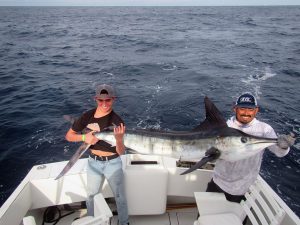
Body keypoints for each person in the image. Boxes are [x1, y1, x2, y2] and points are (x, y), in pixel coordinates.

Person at [206, 93, 296, 204]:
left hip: (242, 187)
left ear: (256, 110)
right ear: (235, 108)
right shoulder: (226, 127)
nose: (246, 113)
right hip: (218, 181)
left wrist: (283, 146)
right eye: (242, 108)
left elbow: (279, 152)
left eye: (250, 109)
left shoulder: (265, 129)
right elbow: (212, 154)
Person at [65, 84, 129, 225]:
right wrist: (84, 138)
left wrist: (119, 139)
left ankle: (124, 222)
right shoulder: (87, 116)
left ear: (114, 99)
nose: (104, 104)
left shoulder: (118, 122)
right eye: (101, 100)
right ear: (96, 99)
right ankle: (91, 221)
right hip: (93, 162)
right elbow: (69, 136)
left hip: (113, 162)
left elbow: (121, 152)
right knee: (91, 196)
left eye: (108, 100)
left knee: (119, 197)